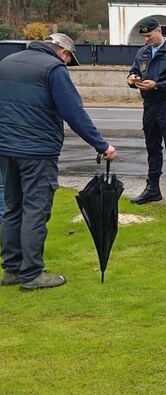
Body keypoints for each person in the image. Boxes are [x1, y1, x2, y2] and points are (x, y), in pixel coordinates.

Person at [0, 33, 117, 290]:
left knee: (13, 208)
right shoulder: (53, 69)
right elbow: (73, 112)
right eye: (68, 60)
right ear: (63, 52)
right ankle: (31, 274)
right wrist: (102, 145)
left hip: (6, 148)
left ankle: (11, 270)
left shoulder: (8, 61)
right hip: (37, 151)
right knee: (35, 209)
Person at [127, 17, 166, 209]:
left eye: (149, 35)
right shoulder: (143, 52)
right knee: (152, 147)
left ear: (159, 31)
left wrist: (158, 85)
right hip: (150, 105)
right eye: (144, 36)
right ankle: (153, 188)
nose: (147, 39)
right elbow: (135, 70)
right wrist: (132, 78)